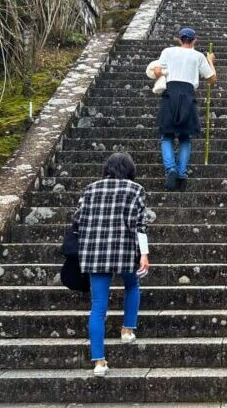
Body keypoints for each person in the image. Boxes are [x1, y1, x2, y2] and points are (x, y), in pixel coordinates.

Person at [72, 152, 149, 377]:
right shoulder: (135, 190)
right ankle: (127, 329)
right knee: (132, 285)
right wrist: (144, 254)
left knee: (98, 307)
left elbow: (77, 219)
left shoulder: (90, 189)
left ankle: (98, 362)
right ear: (130, 170)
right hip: (124, 250)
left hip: (95, 253)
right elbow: (140, 225)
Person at [153, 27, 216, 191]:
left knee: (166, 136)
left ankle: (171, 169)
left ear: (179, 39)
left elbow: (158, 71)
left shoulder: (168, 51)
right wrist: (210, 60)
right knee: (185, 137)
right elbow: (211, 79)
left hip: (170, 93)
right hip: (188, 95)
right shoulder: (198, 56)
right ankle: (181, 172)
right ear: (194, 40)